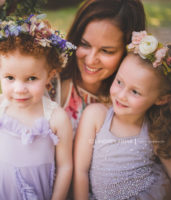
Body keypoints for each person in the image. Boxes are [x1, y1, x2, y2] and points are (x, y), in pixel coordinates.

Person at [73, 31, 171, 200]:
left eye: (135, 91)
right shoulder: (96, 116)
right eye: (119, 82)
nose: (121, 95)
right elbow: (80, 170)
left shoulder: (155, 129)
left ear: (161, 99)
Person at [0, 15, 74, 199]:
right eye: (10, 77)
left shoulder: (56, 117)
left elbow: (65, 166)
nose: (19, 89)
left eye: (31, 78)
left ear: (49, 75)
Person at [46, 0, 146, 135]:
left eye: (106, 51)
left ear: (127, 51)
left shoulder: (135, 101)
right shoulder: (48, 85)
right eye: (84, 44)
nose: (91, 60)